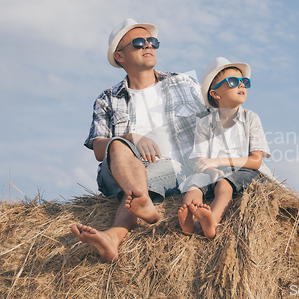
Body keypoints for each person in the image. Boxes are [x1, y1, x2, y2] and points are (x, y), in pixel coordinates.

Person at [71, 18, 206, 262]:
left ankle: (114, 235)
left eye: (152, 42)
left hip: (173, 171)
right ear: (120, 56)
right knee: (119, 147)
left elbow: (217, 121)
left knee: (140, 185)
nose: (149, 46)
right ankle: (144, 205)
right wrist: (131, 137)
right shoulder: (108, 98)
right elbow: (100, 149)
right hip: (118, 173)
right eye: (139, 42)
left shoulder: (184, 84)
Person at [178, 57, 272, 239]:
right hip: (214, 171)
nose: (242, 85)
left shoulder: (251, 119)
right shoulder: (205, 125)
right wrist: (211, 170)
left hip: (245, 172)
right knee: (194, 183)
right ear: (215, 94)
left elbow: (255, 160)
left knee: (224, 183)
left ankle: (211, 221)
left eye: (244, 82)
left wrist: (218, 162)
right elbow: (199, 160)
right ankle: (189, 218)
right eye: (233, 81)